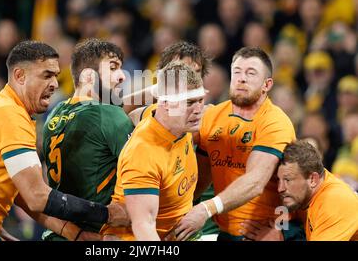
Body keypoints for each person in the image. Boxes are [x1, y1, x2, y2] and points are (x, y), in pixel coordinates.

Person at [0, 40, 128, 241]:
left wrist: (75, 234)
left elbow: (23, 196)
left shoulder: (8, 108)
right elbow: (36, 196)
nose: (55, 84)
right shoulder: (9, 113)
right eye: (46, 75)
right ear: (20, 76)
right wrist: (108, 214)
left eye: (56, 76)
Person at [172, 47, 297, 241]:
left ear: (267, 84)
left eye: (251, 73)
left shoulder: (275, 122)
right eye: (237, 71)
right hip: (225, 232)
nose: (242, 78)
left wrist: (205, 209)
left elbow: (255, 182)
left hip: (264, 233)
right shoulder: (213, 115)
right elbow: (201, 174)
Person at [41, 38, 134, 241]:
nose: (121, 77)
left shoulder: (55, 113)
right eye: (113, 68)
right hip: (95, 234)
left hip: (58, 232)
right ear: (90, 76)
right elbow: (145, 176)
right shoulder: (108, 116)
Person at [101, 61, 205, 240]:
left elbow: (134, 113)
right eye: (189, 102)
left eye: (200, 100)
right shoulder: (144, 152)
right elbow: (144, 226)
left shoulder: (176, 122)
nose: (198, 110)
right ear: (165, 103)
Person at [240, 140, 358, 241]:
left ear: (312, 179)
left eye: (288, 180)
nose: (280, 188)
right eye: (278, 180)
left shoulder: (334, 201)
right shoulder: (303, 196)